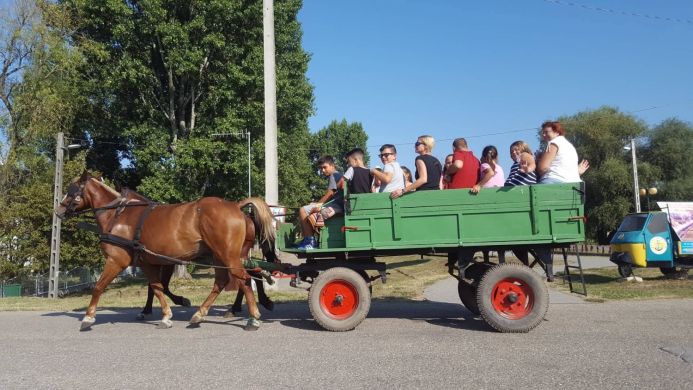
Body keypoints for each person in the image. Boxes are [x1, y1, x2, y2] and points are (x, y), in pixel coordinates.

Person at [295, 156, 344, 250]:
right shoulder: (340, 175)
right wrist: (316, 203)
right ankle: (307, 240)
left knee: (302, 210)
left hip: (336, 207)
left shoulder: (333, 176)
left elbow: (330, 193)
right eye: (321, 168)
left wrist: (318, 205)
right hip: (337, 205)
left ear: (332, 165)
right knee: (310, 206)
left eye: (325, 167)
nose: (322, 170)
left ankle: (310, 241)